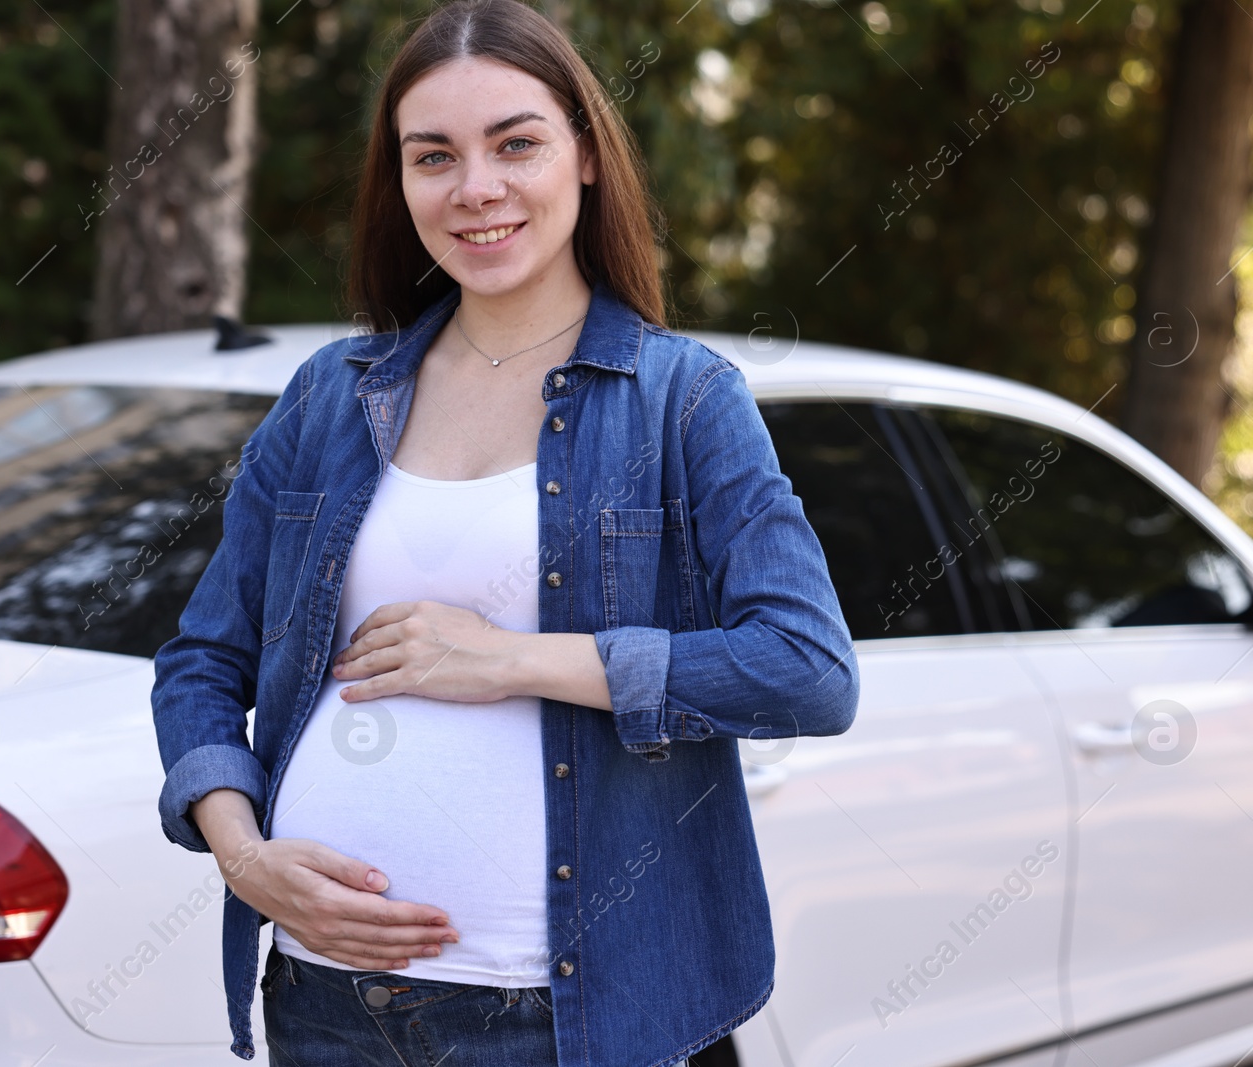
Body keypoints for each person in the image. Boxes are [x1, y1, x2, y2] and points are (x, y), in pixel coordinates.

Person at [150, 1, 860, 1064]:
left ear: (583, 154)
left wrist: (510, 659)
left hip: (566, 1021)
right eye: (433, 156)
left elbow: (805, 669)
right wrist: (243, 853)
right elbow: (203, 658)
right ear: (399, 183)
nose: (474, 188)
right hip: (325, 1005)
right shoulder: (329, 398)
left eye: (515, 143)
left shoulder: (684, 399)